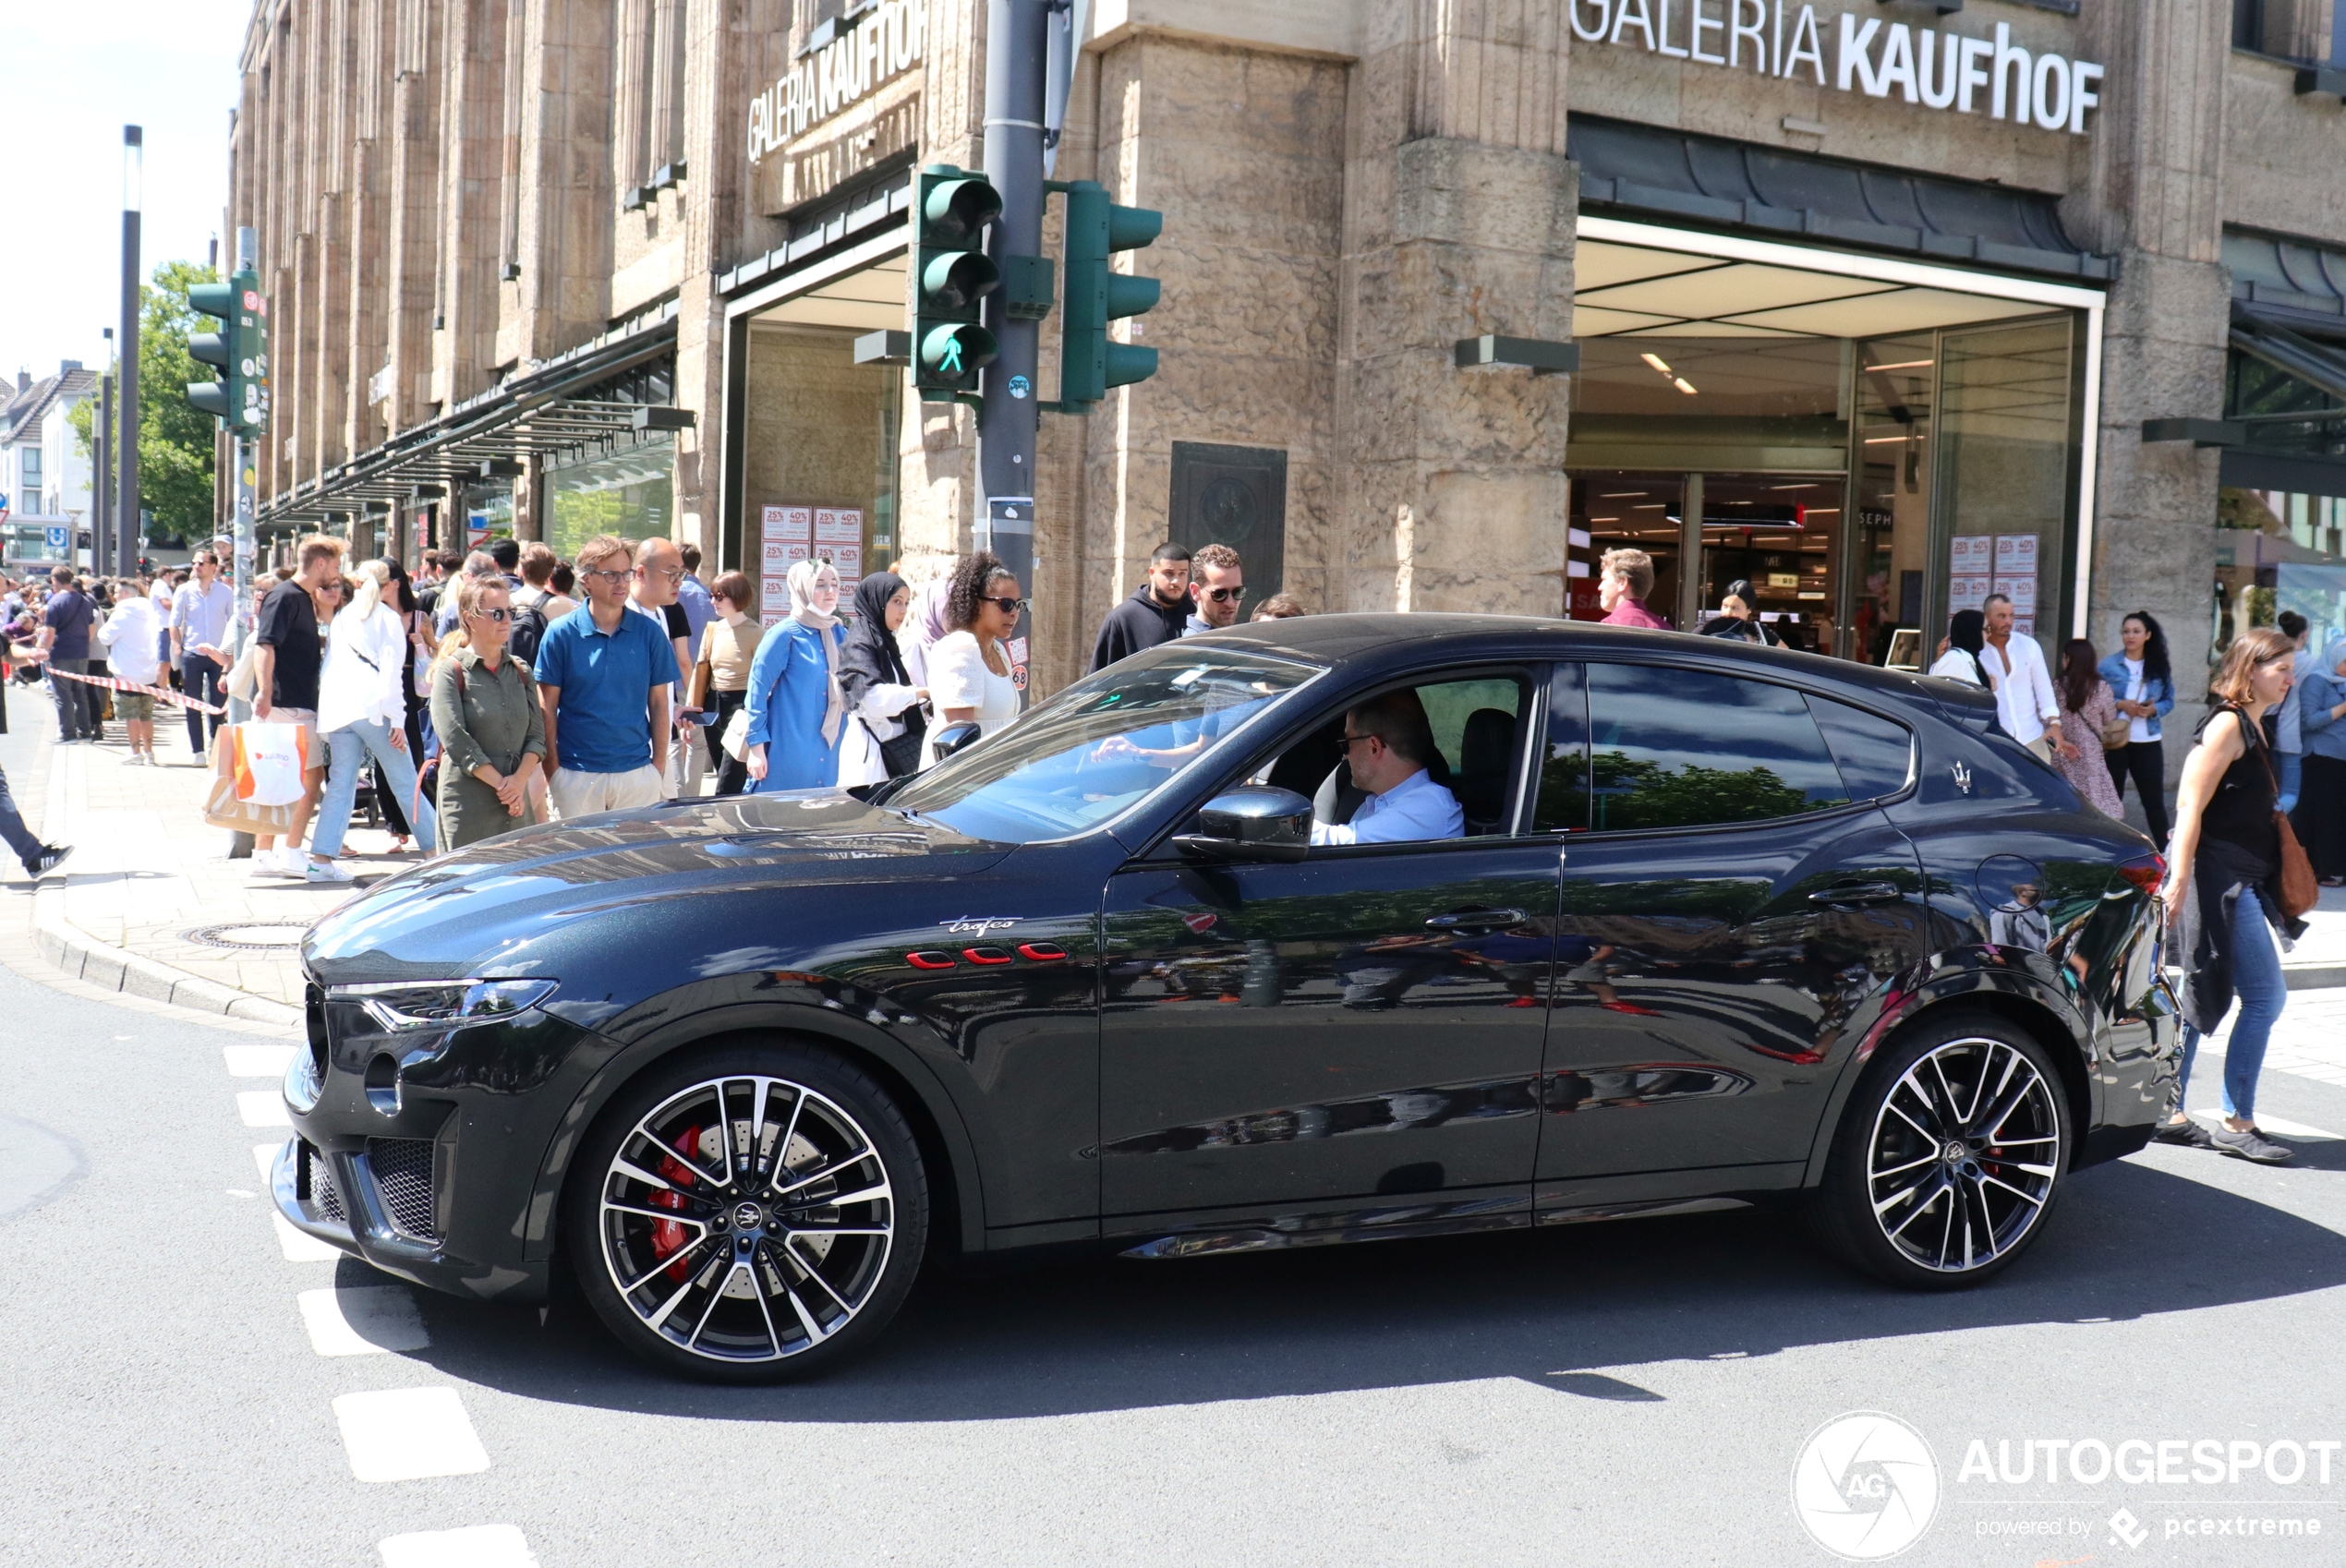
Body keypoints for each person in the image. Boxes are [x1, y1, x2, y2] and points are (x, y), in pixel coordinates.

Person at [2159, 626, 2303, 1164]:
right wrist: (2176, 880)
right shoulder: (2227, 725)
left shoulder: (2255, 727)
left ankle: (2166, 1108)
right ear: (2251, 669)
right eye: (2281, 669)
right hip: (2218, 881)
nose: (2290, 679)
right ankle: (2235, 1121)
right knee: (2265, 996)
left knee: (2205, 987)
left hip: (2239, 877)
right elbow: (2188, 807)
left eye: (2292, 669)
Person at [308, 560, 438, 882]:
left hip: (340, 710)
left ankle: (321, 860)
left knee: (340, 785)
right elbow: (391, 674)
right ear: (390, 585)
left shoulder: (342, 617)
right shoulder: (388, 619)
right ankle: (436, 852)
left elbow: (331, 668)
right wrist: (396, 720)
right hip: (374, 709)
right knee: (406, 782)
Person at [532, 533, 673, 817]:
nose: (622, 582)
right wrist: (555, 773)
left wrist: (656, 769)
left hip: (636, 774)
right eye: (611, 575)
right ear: (586, 579)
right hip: (576, 775)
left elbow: (659, 704)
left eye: (626, 573)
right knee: (578, 862)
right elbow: (547, 708)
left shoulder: (650, 633)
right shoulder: (560, 633)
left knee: (634, 862)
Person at [249, 536, 347, 878]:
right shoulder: (286, 596)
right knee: (310, 776)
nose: (337, 574)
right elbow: (265, 644)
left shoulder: (299, 597)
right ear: (320, 563)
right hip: (285, 702)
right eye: (335, 566)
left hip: (289, 701)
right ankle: (289, 850)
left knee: (281, 776)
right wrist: (264, 692)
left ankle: (264, 854)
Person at [429, 575, 548, 850]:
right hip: (468, 804)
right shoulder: (451, 670)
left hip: (515, 803)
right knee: (465, 884)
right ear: (470, 618)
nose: (507, 620)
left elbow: (537, 736)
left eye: (511, 612)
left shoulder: (521, 671)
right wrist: (504, 787)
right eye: (497, 613)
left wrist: (518, 784)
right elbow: (455, 739)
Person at [744, 559, 847, 792]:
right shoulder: (784, 634)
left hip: (830, 752)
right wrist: (756, 748)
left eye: (834, 584)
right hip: (787, 752)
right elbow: (756, 693)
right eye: (820, 584)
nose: (830, 591)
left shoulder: (841, 634)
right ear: (803, 588)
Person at [1310, 689, 1464, 846]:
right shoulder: (1373, 804)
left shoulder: (1429, 808)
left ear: (1374, 747)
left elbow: (1332, 842)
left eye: (1347, 744)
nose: (1345, 756)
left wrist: (1288, 825)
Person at [925, 551, 1023, 766]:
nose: (1014, 613)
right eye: (1005, 604)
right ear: (977, 603)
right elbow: (958, 740)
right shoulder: (961, 647)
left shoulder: (999, 650)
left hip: (996, 774)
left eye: (1018, 605)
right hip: (966, 779)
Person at [836, 571, 928, 789]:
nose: (903, 610)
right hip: (870, 756)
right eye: (896, 601)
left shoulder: (885, 642)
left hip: (892, 751)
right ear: (877, 601)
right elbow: (873, 700)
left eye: (906, 602)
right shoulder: (859, 644)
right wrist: (920, 693)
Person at [625, 537, 699, 795]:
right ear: (642, 573)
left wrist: (674, 709)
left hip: (658, 751)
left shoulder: (660, 613)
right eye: (672, 574)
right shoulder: (625, 616)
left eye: (682, 574)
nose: (679, 582)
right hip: (632, 757)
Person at [2098, 609, 2176, 844]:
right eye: (2126, 632)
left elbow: (2169, 700)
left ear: (2148, 635)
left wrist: (2153, 710)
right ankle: (2108, 849)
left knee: (2154, 802)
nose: (2130, 636)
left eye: (2136, 631)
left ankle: (2167, 855)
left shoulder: (2158, 666)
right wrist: (2120, 704)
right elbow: (2094, 699)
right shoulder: (2108, 665)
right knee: (2112, 800)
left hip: (2148, 740)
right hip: (2116, 740)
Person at [1978, 593, 2074, 766]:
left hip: (2032, 737)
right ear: (1987, 618)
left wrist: (2054, 723)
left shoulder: (2029, 646)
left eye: (2011, 615)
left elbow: (2043, 688)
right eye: (2001, 616)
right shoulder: (1977, 652)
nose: (2008, 621)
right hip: (1995, 738)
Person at [698, 572, 763, 797]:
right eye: (711, 595)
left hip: (741, 706)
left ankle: (726, 825)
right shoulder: (713, 629)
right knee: (721, 771)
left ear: (736, 597)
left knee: (728, 780)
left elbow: (764, 678)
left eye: (719, 596)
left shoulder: (756, 633)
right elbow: (701, 672)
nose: (713, 601)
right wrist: (691, 711)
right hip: (712, 704)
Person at [2051, 637, 2126, 818]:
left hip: (2063, 749)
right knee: (2095, 801)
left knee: (2064, 797)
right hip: (2091, 752)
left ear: (2068, 659)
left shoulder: (2057, 686)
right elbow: (2109, 718)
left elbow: (2046, 716)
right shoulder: (2101, 688)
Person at [171, 551, 235, 758]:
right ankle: (197, 750)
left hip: (218, 653)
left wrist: (229, 653)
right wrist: (178, 648)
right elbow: (174, 622)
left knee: (217, 703)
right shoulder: (184, 591)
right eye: (194, 563)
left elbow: (233, 622)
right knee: (192, 703)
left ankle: (215, 746)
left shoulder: (225, 592)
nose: (196, 566)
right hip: (192, 652)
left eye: (201, 563)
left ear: (213, 567)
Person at [1092, 542, 1191, 671]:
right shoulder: (1122, 618)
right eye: (1169, 573)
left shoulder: (1195, 614)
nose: (1176, 581)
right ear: (1152, 573)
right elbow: (1099, 678)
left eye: (1182, 574)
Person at [2295, 634, 2346, 886]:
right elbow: (2308, 721)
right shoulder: (2316, 681)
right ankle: (2321, 869)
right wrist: (2342, 708)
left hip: (2342, 759)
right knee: (2324, 817)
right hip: (2321, 758)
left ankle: (2338, 868)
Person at [95, 579, 162, 765]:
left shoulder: (122, 614)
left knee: (131, 715)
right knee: (146, 715)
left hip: (125, 673)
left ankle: (135, 752)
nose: (114, 596)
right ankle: (149, 753)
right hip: (147, 671)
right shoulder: (150, 611)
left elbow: (104, 638)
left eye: (116, 593)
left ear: (125, 594)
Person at [37, 566, 101, 743]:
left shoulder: (55, 604)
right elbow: (90, 630)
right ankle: (85, 731)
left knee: (63, 695)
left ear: (55, 581)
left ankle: (68, 733)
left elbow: (49, 634)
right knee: (80, 694)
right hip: (81, 653)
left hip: (61, 654)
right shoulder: (85, 602)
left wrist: (44, 651)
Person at [2273, 611, 2310, 814]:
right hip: (2293, 735)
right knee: (2291, 793)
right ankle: (2270, 824)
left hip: (2269, 730)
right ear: (2304, 635)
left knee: (2274, 788)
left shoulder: (2273, 661)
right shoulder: (2311, 664)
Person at [1597, 548, 1668, 629]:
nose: (1600, 587)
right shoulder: (1666, 629)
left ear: (1623, 582)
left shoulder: (1611, 625)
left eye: (1604, 579)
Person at [1183, 543, 1244, 635]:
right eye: (1220, 594)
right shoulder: (1192, 646)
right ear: (1195, 591)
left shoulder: (1236, 639)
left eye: (1237, 592)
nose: (1230, 603)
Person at [1697, 579, 1777, 645]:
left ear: (1749, 609)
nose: (1728, 613)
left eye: (1735, 608)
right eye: (1725, 606)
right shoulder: (1705, 629)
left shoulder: (1760, 632)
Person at [1929, 609, 1994, 687]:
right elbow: (1945, 695)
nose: (1989, 634)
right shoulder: (1954, 660)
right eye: (1987, 629)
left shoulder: (1968, 659)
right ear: (1973, 631)